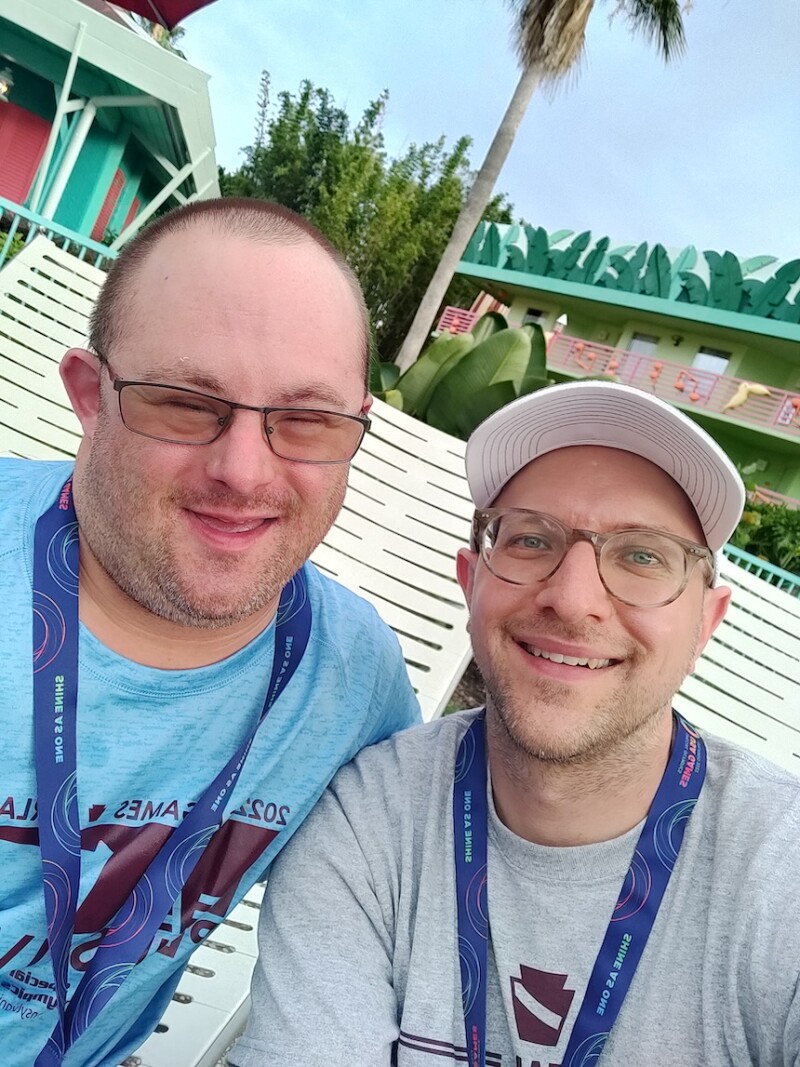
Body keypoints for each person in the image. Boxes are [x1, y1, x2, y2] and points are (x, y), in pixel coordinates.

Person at [232, 380, 800, 1067]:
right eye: (532, 538)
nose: (573, 598)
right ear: (471, 580)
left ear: (707, 620)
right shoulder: (368, 823)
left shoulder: (780, 875)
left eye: (642, 555)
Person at [0, 198, 420, 1067]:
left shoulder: (352, 680)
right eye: (187, 404)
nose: (242, 471)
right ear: (90, 395)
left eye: (305, 420)